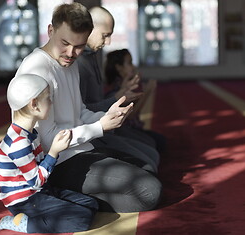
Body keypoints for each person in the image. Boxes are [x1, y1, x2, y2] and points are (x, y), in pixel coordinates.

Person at [14, 3, 162, 213]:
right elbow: (47, 140)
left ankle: (75, 198)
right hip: (54, 162)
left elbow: (80, 112)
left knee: (148, 169)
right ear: (50, 31)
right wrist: (100, 127)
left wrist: (108, 116)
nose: (71, 53)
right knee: (150, 192)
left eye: (79, 46)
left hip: (82, 148)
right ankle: (55, 192)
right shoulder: (36, 70)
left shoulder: (71, 63)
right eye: (65, 43)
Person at [0, 74, 98, 233]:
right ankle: (23, 223)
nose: (51, 103)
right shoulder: (18, 143)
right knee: (82, 219)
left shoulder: (30, 133)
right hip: (25, 201)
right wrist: (54, 152)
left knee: (91, 204)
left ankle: (43, 216)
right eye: (48, 99)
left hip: (41, 191)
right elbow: (36, 181)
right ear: (34, 104)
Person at [77, 6, 161, 172]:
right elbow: (80, 111)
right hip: (92, 135)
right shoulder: (78, 63)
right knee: (149, 167)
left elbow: (96, 102)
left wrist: (120, 95)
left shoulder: (91, 57)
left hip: (105, 130)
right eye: (105, 35)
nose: (108, 42)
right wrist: (116, 98)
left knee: (153, 155)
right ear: (90, 28)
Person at [104, 48, 167, 152]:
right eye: (129, 63)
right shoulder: (118, 88)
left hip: (133, 129)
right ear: (119, 68)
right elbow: (131, 115)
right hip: (126, 132)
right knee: (156, 144)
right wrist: (147, 92)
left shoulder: (124, 83)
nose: (133, 67)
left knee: (159, 141)